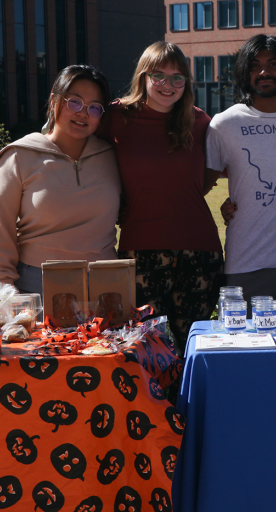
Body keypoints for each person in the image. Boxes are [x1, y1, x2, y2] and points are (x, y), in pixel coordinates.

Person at [98, 41, 223, 356]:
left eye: (177, 77)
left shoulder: (199, 122)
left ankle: (193, 406)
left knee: (193, 346)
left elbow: (211, 175)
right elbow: (67, 138)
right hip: (142, 249)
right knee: (149, 348)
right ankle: (157, 408)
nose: (169, 85)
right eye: (159, 76)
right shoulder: (115, 116)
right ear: (143, 76)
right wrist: (6, 159)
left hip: (199, 250)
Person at [0, 65, 119, 294]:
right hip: (37, 286)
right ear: (54, 101)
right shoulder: (18, 156)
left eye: (94, 108)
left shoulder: (113, 157)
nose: (83, 113)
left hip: (107, 286)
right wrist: (3, 292)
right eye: (74, 101)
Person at [205, 34, 276, 305]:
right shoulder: (224, 124)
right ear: (245, 73)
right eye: (255, 65)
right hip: (246, 262)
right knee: (248, 344)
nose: (264, 72)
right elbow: (201, 185)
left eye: (273, 64)